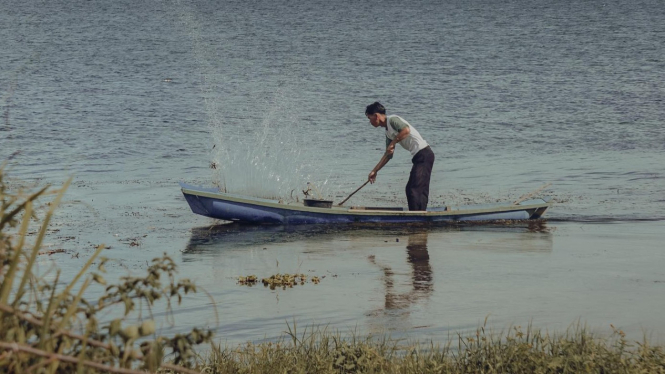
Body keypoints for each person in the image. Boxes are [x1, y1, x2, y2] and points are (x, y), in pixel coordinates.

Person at [365, 101, 435, 211]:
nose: (370, 121)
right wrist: (375, 171)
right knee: (416, 188)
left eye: (369, 118)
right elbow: (388, 154)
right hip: (419, 157)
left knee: (414, 189)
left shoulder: (392, 120)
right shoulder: (388, 132)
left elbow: (406, 130)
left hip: (424, 154)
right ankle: (420, 217)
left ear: (376, 115)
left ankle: (417, 219)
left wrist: (393, 142)